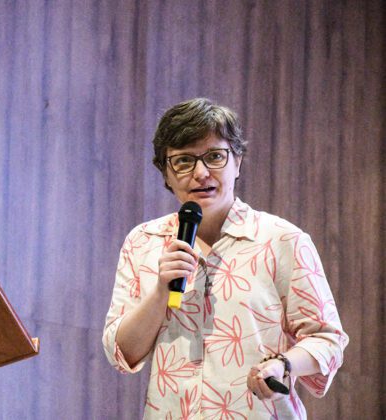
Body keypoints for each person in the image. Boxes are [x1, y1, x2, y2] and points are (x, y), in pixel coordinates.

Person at [102, 98, 348, 419]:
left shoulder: (283, 240)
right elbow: (122, 352)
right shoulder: (143, 242)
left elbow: (328, 340)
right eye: (183, 161)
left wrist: (283, 364)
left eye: (215, 156)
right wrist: (161, 291)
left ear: (238, 162)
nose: (201, 173)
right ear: (166, 173)